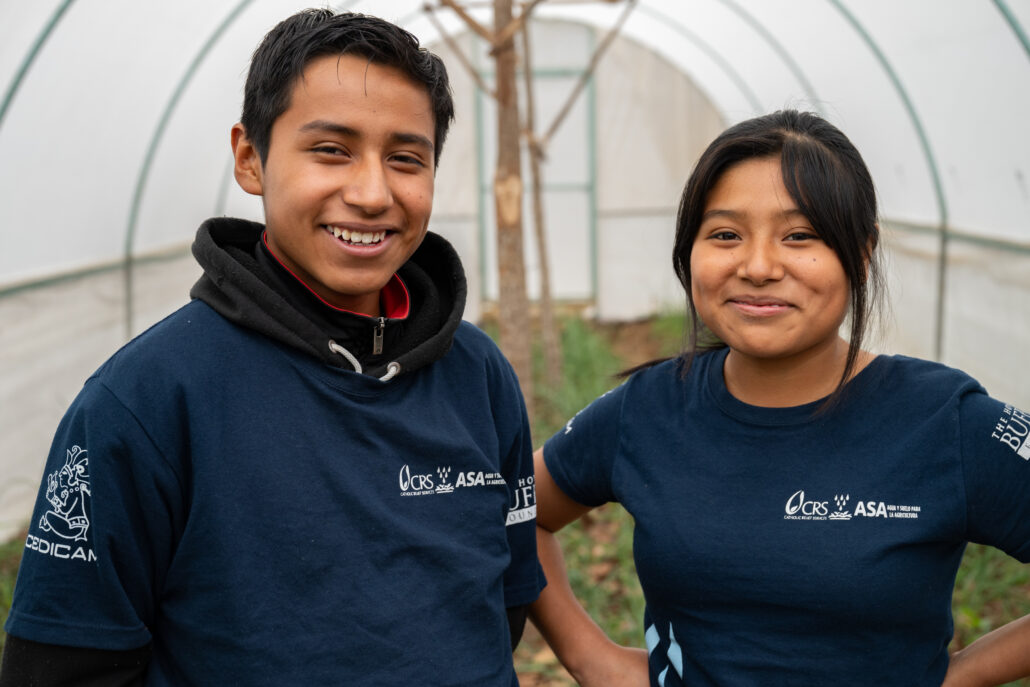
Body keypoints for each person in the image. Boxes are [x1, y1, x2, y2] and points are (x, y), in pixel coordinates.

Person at [1, 9, 543, 685]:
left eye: (406, 158)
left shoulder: (476, 372)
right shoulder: (147, 399)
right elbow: (63, 667)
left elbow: (505, 601)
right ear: (250, 159)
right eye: (331, 150)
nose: (372, 193)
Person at [528, 110, 1030, 686]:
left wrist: (959, 676)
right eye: (724, 235)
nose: (759, 267)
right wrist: (592, 658)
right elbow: (522, 513)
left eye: (800, 236)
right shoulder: (647, 409)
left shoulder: (945, 422)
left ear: (860, 256)